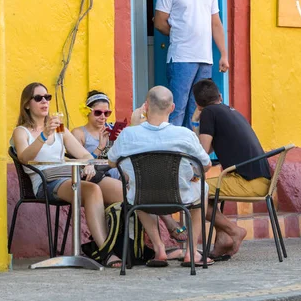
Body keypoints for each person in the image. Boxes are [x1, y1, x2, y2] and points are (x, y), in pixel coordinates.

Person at [11, 82, 122, 268]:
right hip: (46, 182)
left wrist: (88, 164)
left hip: (72, 176)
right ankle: (106, 252)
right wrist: (44, 136)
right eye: (38, 98)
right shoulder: (21, 131)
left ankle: (131, 249)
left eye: (47, 97)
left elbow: (83, 154)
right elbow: (24, 158)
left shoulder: (59, 128)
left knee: (123, 192)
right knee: (92, 190)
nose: (44, 101)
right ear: (27, 104)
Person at [108, 86, 214, 267]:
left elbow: (111, 162)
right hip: (180, 197)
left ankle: (159, 249)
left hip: (144, 198)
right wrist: (193, 174)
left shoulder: (128, 134)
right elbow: (206, 164)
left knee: (136, 189)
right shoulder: (185, 135)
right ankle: (191, 252)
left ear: (146, 107)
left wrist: (135, 126)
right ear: (172, 108)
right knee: (202, 188)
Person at [72, 90, 189, 244]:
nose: (103, 117)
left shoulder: (110, 129)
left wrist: (122, 139)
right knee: (138, 194)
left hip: (119, 175)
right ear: (87, 112)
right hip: (95, 179)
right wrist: (100, 147)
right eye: (98, 112)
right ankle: (167, 228)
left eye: (107, 113)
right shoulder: (79, 133)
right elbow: (80, 163)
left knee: (145, 181)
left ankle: (159, 245)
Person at [192, 79, 271, 259]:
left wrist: (195, 123)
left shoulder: (209, 113)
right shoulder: (228, 110)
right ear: (220, 96)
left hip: (247, 182)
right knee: (207, 194)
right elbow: (209, 148)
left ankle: (234, 231)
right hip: (261, 180)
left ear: (197, 104)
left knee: (194, 191)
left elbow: (202, 154)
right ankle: (222, 240)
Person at [154, 0, 228, 129]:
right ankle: (173, 153)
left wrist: (223, 54)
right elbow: (160, 22)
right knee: (177, 107)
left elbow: (216, 23)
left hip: (205, 58)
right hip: (181, 57)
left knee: (199, 108)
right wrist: (181, 33)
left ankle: (192, 153)